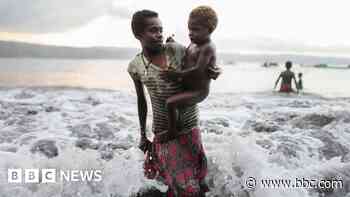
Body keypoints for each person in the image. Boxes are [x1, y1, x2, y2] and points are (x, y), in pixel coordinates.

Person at [127, 9, 213, 196]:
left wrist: (211, 70)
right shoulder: (135, 66)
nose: (159, 35)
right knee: (166, 185)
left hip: (188, 128)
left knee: (195, 186)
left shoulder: (176, 50)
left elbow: (200, 66)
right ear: (138, 34)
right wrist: (143, 135)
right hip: (163, 133)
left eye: (160, 30)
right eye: (153, 30)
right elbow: (141, 102)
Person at [165, 6, 220, 138]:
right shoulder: (193, 44)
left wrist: (177, 75)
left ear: (209, 29)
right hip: (187, 86)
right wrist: (174, 43)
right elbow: (187, 54)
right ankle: (178, 126)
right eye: (189, 29)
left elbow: (198, 70)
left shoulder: (208, 48)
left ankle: (172, 131)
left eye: (195, 29)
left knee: (170, 103)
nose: (190, 33)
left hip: (198, 91)